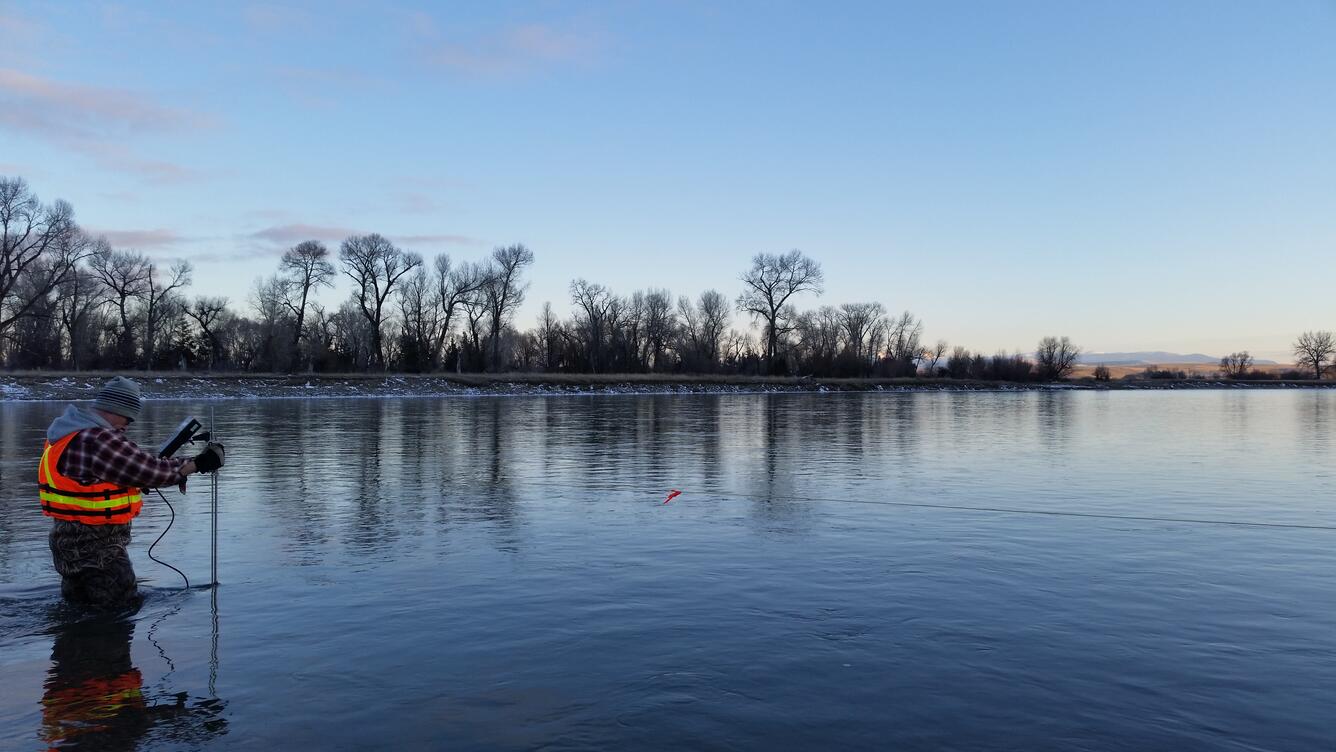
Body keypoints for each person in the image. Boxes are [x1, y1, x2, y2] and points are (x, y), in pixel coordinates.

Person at [39, 376, 225, 608]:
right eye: (128, 418)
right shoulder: (98, 438)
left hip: (67, 549)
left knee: (79, 614)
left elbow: (94, 479)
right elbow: (150, 471)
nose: (126, 426)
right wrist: (198, 463)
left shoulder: (65, 435)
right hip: (100, 552)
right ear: (115, 409)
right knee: (119, 615)